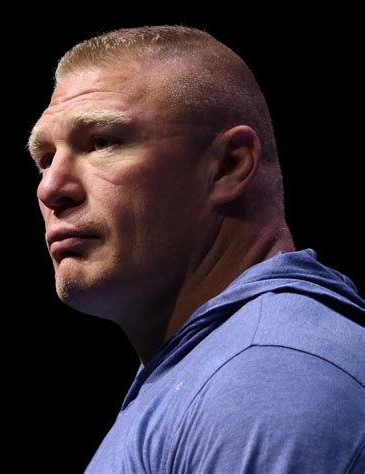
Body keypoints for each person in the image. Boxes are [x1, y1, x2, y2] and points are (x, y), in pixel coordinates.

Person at [27, 25, 364, 473]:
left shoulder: (265, 375)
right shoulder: (210, 371)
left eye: (102, 142)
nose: (51, 188)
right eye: (45, 159)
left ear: (228, 165)